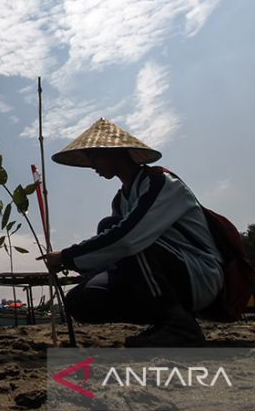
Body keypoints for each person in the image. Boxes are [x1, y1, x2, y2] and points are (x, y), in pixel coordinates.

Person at [39, 118, 224, 346]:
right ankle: (163, 322)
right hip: (157, 274)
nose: (91, 164)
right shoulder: (120, 200)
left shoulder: (160, 182)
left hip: (198, 273)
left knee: (122, 236)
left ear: (116, 152)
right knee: (80, 300)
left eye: (94, 156)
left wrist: (67, 256)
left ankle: (179, 324)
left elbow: (127, 240)